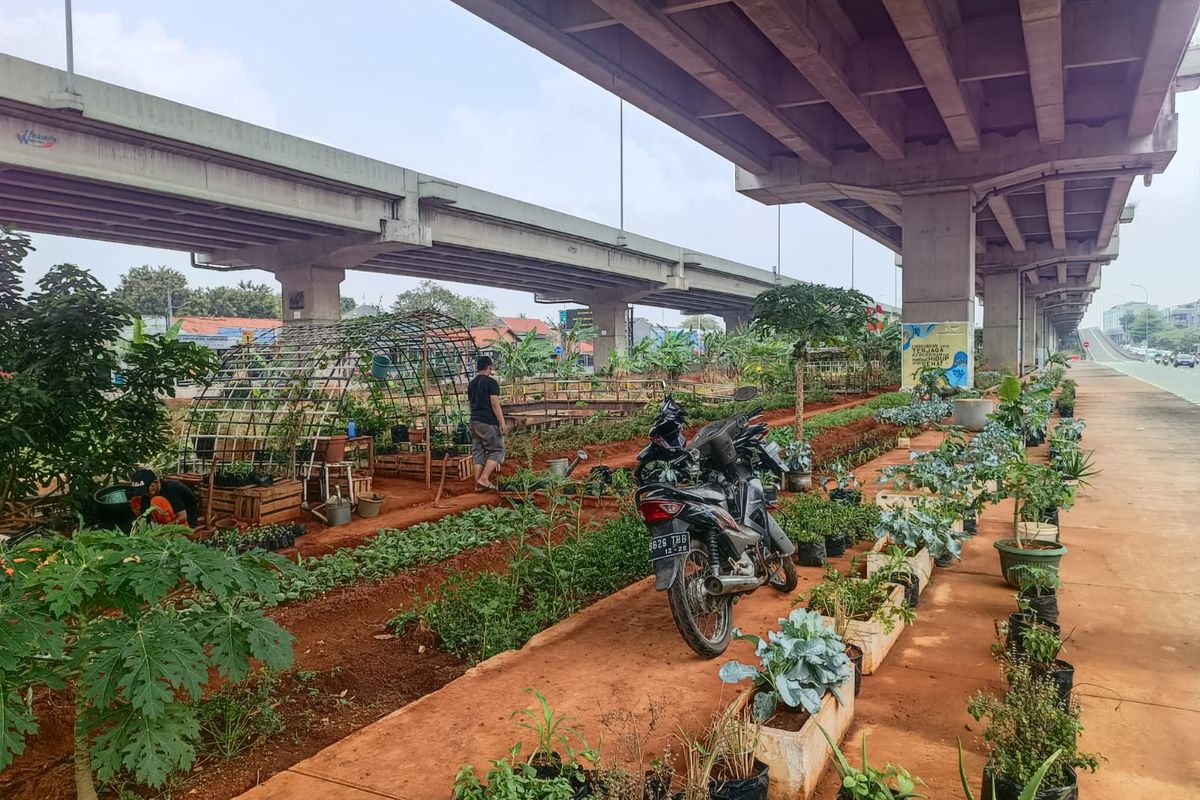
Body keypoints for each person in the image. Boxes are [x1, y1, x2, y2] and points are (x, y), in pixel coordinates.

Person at [466, 355, 507, 491]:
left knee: (478, 452)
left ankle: (478, 484)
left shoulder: (472, 383)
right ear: (489, 367)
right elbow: (495, 404)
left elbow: (471, 404)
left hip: (474, 421)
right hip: (488, 421)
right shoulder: (491, 383)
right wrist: (502, 423)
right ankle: (484, 479)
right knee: (497, 450)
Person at [129, 468, 199, 528]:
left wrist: (162, 529)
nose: (145, 493)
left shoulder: (171, 489)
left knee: (156, 501)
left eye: (146, 490)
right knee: (135, 501)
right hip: (165, 521)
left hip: (185, 523)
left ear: (155, 482)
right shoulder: (148, 494)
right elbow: (144, 514)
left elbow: (183, 517)